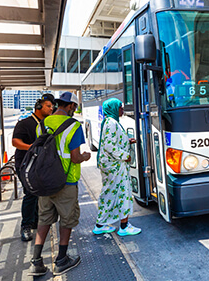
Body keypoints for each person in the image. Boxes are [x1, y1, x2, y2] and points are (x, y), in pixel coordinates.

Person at [29, 92, 91, 276]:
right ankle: (62, 259)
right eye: (74, 107)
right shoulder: (74, 126)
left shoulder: (41, 124)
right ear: (71, 106)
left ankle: (36, 262)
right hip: (66, 181)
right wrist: (86, 156)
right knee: (67, 219)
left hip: (44, 181)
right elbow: (75, 157)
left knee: (44, 219)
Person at [93, 98, 141, 237]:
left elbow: (112, 141)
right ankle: (124, 226)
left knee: (110, 194)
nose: (122, 110)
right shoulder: (111, 123)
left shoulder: (110, 122)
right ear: (113, 108)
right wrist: (125, 155)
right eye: (120, 107)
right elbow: (109, 146)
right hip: (115, 165)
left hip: (112, 165)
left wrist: (127, 141)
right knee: (123, 193)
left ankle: (101, 224)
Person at [12, 93, 55, 242]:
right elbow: (15, 142)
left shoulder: (47, 124)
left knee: (38, 193)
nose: (51, 109)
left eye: (52, 107)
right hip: (25, 164)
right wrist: (31, 147)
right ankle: (26, 226)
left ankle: (36, 221)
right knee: (30, 193)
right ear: (38, 106)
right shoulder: (25, 123)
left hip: (39, 165)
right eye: (48, 106)